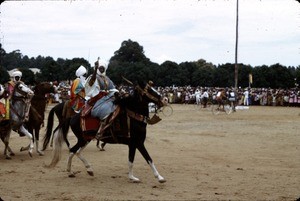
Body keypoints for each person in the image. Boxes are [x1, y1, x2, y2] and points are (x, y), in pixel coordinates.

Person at [86, 58, 118, 139]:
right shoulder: (93, 76)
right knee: (106, 109)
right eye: (100, 68)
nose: (101, 69)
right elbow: (91, 83)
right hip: (97, 96)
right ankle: (101, 128)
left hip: (106, 96)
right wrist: (95, 69)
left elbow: (112, 87)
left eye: (103, 68)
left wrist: (117, 92)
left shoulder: (106, 78)